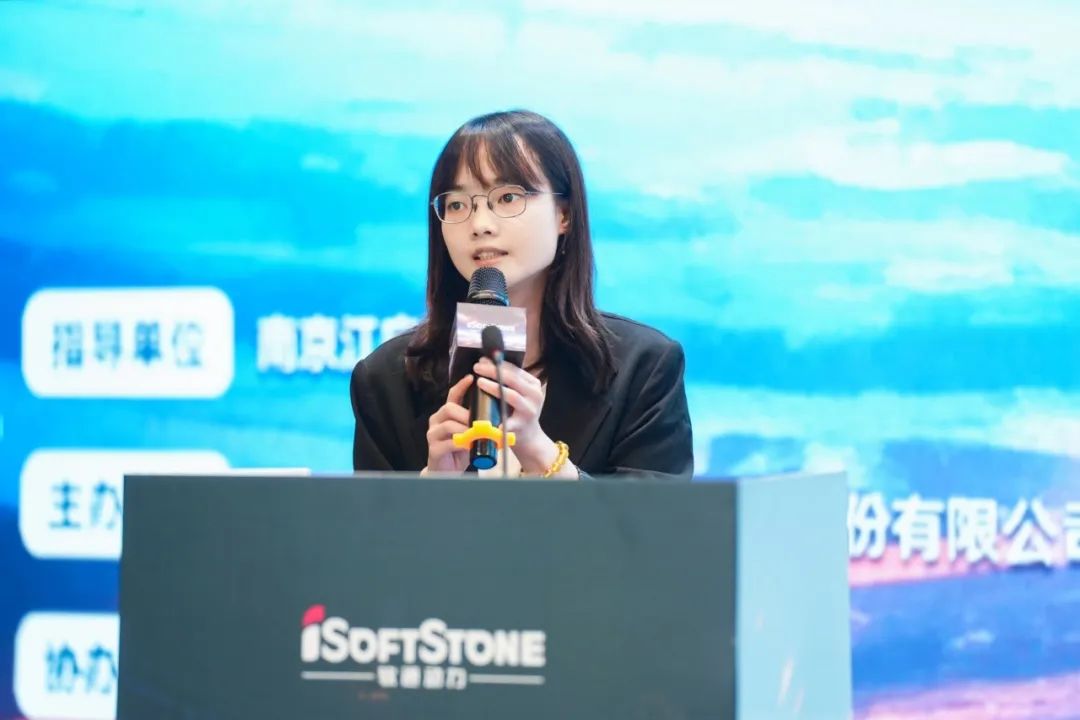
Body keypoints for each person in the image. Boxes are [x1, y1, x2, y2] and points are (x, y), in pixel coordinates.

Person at [351, 110, 693, 480]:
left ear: (564, 214)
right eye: (457, 204)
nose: (480, 225)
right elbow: (369, 520)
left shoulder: (643, 367)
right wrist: (435, 483)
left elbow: (656, 518)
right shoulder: (385, 380)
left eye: (508, 197)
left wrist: (540, 453)